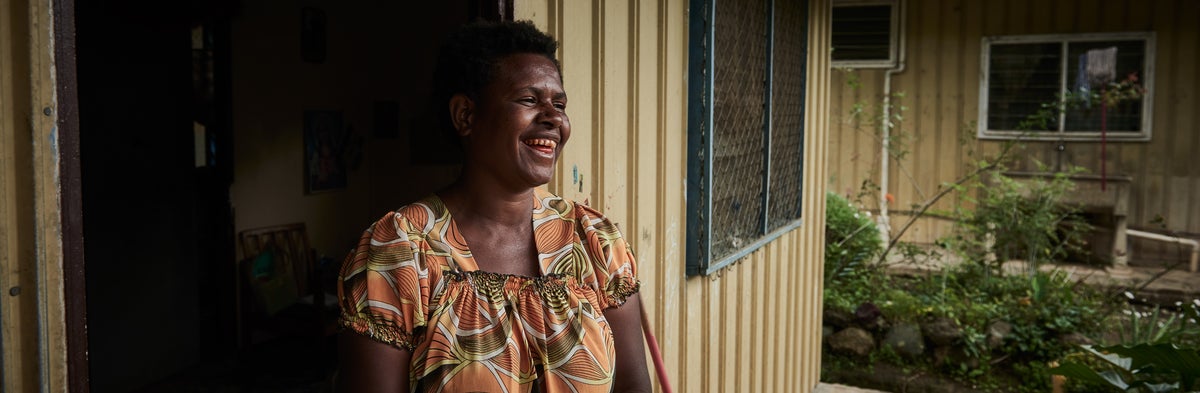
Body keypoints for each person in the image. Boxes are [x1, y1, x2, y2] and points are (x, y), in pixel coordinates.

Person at [335, 20, 652, 393]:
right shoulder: (401, 251)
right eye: (529, 100)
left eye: (559, 104)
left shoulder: (594, 241)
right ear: (465, 115)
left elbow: (632, 386)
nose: (554, 118)